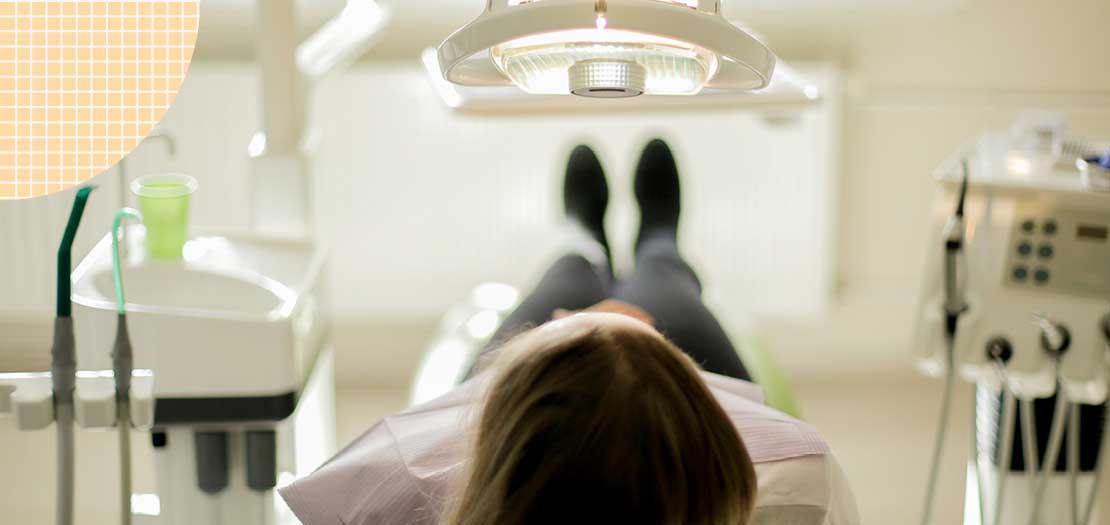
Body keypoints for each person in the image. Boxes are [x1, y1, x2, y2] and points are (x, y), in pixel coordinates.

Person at [279, 140, 858, 525]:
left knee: (568, 271)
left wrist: (583, 344)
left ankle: (583, 243)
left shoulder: (406, 486)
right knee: (664, 276)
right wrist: (617, 340)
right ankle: (660, 241)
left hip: (555, 399)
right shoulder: (798, 482)